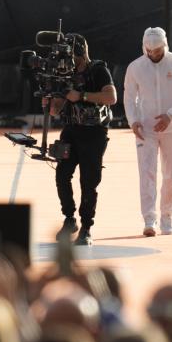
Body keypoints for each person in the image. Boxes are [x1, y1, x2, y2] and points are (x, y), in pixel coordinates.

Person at [46, 34, 117, 246]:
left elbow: (111, 97)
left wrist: (82, 96)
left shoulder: (98, 70)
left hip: (94, 133)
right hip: (71, 130)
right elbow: (54, 111)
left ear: (79, 53)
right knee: (62, 174)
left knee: (89, 182)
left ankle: (86, 227)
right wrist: (51, 99)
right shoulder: (63, 74)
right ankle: (69, 218)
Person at [123, 27, 172, 237]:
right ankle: (149, 219)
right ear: (144, 47)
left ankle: (167, 217)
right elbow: (129, 97)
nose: (154, 54)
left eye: (158, 50)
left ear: (165, 46)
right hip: (146, 129)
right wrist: (133, 121)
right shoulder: (135, 67)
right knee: (147, 173)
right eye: (150, 51)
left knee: (170, 175)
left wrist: (170, 115)